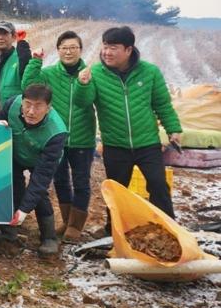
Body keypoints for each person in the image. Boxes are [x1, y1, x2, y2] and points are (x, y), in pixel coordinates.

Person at [75, 26, 181, 227]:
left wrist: (173, 129)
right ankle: (113, 231)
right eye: (105, 46)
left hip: (147, 143)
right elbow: (83, 102)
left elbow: (162, 104)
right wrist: (83, 85)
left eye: (113, 47)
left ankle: (167, 227)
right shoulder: (96, 73)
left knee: (158, 185)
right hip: (115, 144)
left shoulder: (149, 72)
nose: (106, 52)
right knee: (117, 191)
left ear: (128, 50)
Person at [22, 31, 97, 243]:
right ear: (58, 50)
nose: (68, 51)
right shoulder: (49, 74)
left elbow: (85, 102)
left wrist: (84, 84)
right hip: (57, 137)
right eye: (64, 48)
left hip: (83, 137)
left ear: (80, 50)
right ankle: (66, 220)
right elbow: (27, 86)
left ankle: (75, 226)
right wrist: (35, 63)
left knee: (81, 181)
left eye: (73, 47)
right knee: (61, 180)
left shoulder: (90, 73)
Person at [0, 84, 67, 257]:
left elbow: (40, 179)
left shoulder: (56, 132)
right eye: (27, 104)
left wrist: (24, 211)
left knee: (39, 194)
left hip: (39, 159)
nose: (31, 111)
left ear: (48, 108)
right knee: (10, 187)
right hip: (15, 153)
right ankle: (8, 234)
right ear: (22, 102)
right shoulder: (12, 104)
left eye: (38, 106)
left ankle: (49, 237)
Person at [0, 21, 31, 103]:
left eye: (5, 34)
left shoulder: (20, 59)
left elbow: (29, 78)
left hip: (11, 113)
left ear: (14, 37)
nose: (0, 37)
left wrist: (22, 44)